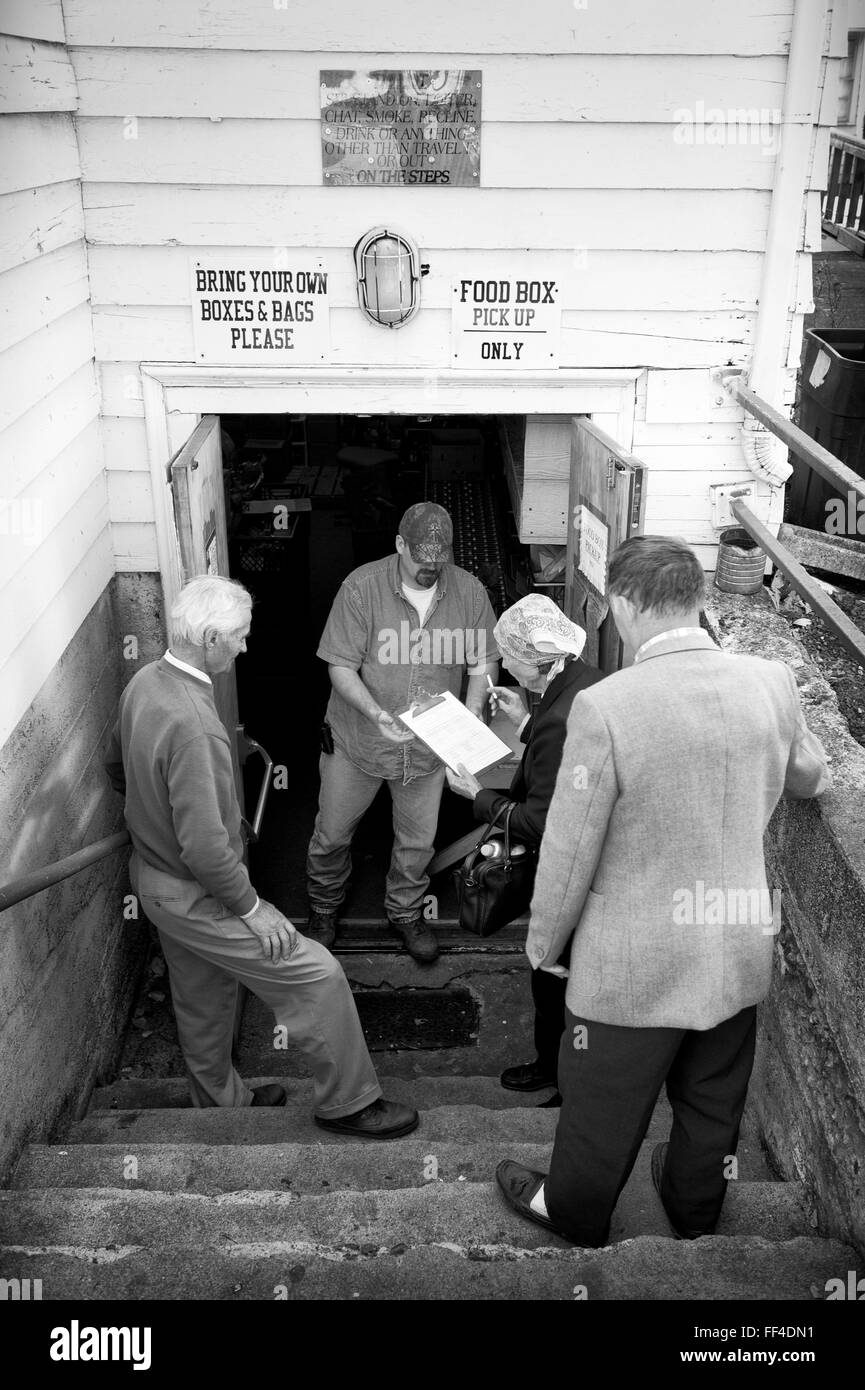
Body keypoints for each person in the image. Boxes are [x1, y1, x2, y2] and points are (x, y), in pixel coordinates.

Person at [495, 535, 832, 1245]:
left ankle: (576, 1213)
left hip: (632, 961)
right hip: (736, 939)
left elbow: (568, 846)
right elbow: (814, 777)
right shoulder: (770, 680)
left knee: (601, 1101)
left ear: (620, 602)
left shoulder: (605, 706)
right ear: (699, 597)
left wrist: (544, 946)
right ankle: (692, 1208)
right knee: (713, 1100)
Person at [105, 575, 417, 1140]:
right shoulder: (198, 727)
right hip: (198, 892)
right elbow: (204, 848)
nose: (246, 647)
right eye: (240, 637)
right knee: (317, 975)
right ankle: (349, 1103)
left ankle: (223, 1105)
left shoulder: (143, 684)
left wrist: (153, 816)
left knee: (204, 994)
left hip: (152, 881)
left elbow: (115, 769)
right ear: (208, 638)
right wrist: (253, 909)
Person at [305, 502, 499, 963]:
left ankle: (406, 911)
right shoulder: (361, 588)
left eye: (439, 564)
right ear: (399, 546)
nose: (431, 571)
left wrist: (467, 726)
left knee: (417, 842)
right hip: (358, 742)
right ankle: (323, 906)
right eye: (420, 563)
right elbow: (340, 666)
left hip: (428, 750)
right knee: (332, 834)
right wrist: (375, 713)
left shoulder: (469, 593)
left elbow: (483, 663)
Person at [444, 594, 604, 1105]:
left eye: (509, 657)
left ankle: (563, 1082)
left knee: (555, 978)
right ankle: (551, 1067)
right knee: (556, 975)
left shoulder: (557, 717)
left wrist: (478, 796)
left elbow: (540, 820)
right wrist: (526, 723)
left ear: (536, 661)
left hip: (571, 874)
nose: (503, 665)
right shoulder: (583, 681)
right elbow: (559, 757)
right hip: (593, 862)